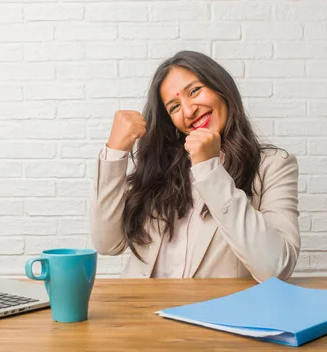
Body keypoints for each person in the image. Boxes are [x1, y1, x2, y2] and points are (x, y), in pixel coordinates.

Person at [89, 51, 300, 282]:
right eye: (175, 107)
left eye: (195, 91)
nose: (189, 111)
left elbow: (276, 268)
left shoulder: (274, 165)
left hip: (215, 312)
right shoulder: (158, 167)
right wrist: (115, 152)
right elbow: (107, 244)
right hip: (142, 310)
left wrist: (209, 169)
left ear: (222, 88)